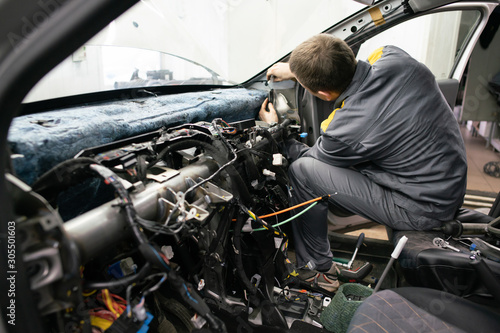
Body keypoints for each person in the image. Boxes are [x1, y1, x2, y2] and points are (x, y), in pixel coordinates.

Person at [259, 34, 467, 289]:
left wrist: (272, 131)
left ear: (323, 94)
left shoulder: (344, 131)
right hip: (448, 183)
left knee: (302, 171)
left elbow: (309, 161)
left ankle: (318, 271)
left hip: (422, 209)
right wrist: (296, 70)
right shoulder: (395, 57)